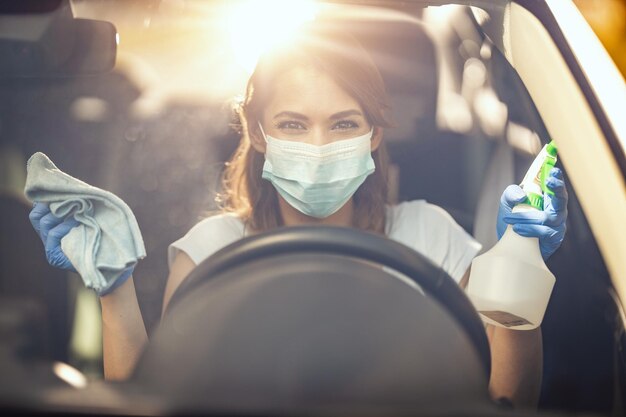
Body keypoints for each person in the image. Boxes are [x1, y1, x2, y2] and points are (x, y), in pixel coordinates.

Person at [28, 24, 567, 408]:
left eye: (342, 123)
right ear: (258, 132)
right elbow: (160, 401)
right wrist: (113, 287)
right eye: (291, 124)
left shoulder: (432, 237)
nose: (317, 144)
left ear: (374, 134)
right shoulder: (208, 251)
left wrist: (520, 266)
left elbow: (506, 402)